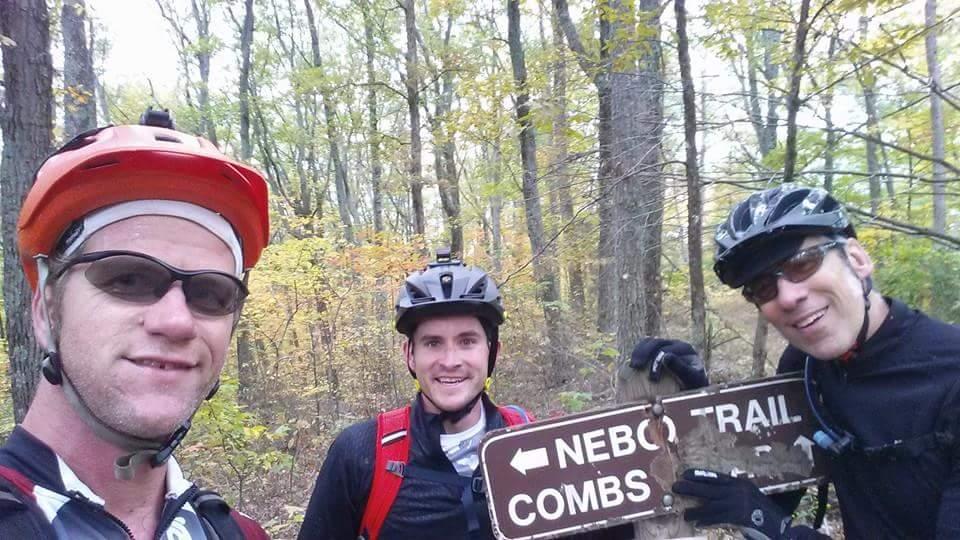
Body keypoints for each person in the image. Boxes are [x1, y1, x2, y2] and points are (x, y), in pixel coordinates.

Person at [0, 109, 271, 539]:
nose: (177, 322)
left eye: (211, 293)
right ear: (45, 308)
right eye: (128, 278)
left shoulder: (237, 533)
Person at [632, 185, 960, 539]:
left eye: (803, 264)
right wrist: (697, 405)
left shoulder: (949, 374)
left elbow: (767, 515)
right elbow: (771, 487)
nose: (788, 297)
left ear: (858, 260)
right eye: (762, 288)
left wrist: (770, 525)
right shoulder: (805, 366)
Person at [299, 251, 639, 540]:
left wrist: (679, 440)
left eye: (467, 341)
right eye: (433, 343)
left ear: (492, 352)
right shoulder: (362, 455)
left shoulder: (539, 444)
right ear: (409, 355)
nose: (450, 361)